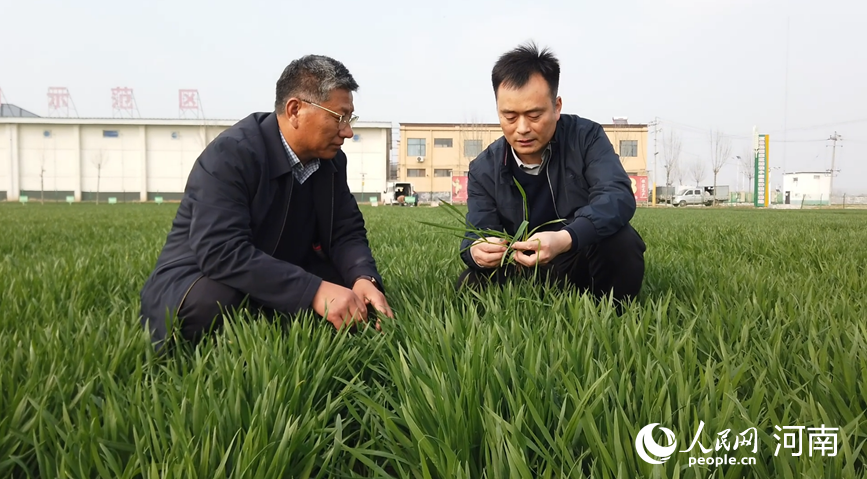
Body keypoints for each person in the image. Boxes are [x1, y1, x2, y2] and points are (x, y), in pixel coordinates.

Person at [140, 54, 393, 351]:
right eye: (339, 117)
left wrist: (363, 278)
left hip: (281, 267)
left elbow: (345, 231)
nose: (348, 131)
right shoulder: (232, 154)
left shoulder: (332, 162)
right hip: (204, 274)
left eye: (350, 118)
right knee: (211, 303)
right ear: (295, 109)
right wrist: (314, 290)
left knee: (352, 292)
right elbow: (221, 250)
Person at [457, 42, 646, 306]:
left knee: (621, 241)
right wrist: (477, 252)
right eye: (509, 116)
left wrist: (565, 238)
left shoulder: (586, 137)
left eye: (534, 115)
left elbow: (616, 196)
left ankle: (611, 315)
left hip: (575, 256)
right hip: (521, 267)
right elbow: (477, 229)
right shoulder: (483, 168)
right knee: (470, 283)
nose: (522, 128)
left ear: (556, 106)